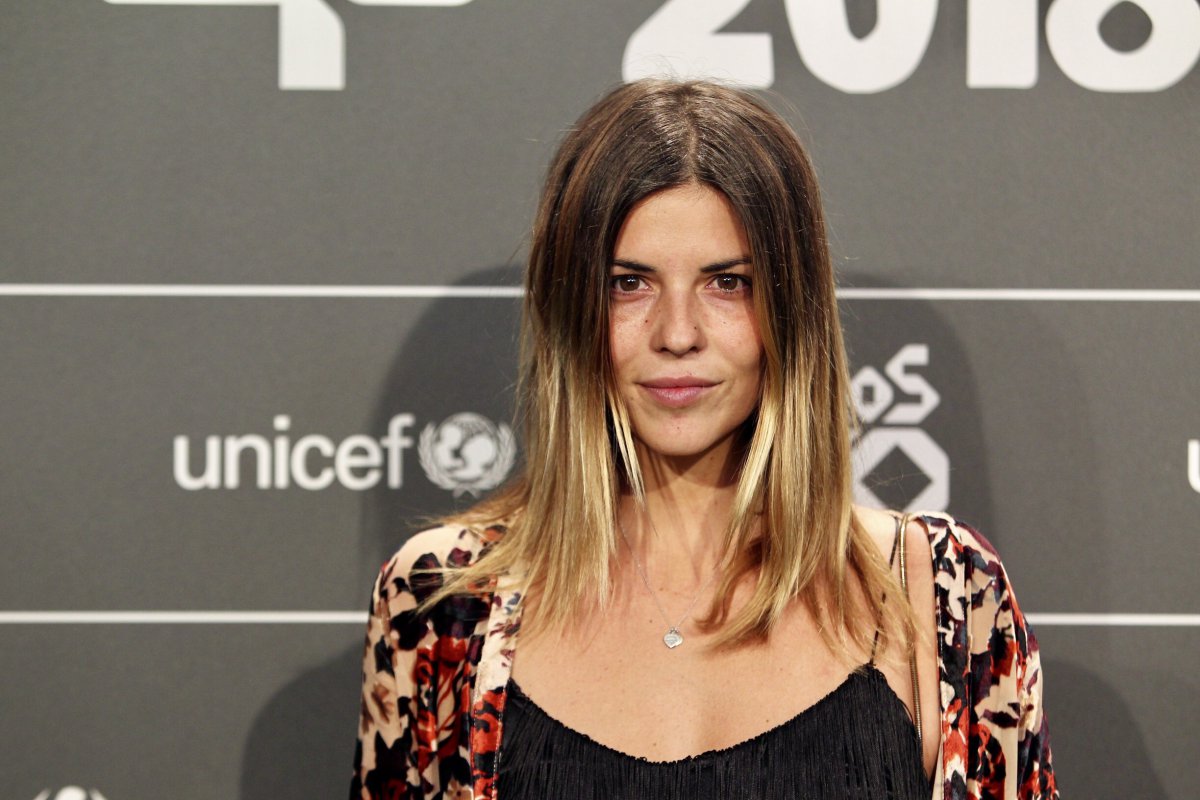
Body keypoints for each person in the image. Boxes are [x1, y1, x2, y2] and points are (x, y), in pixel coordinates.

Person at [350, 79, 1057, 800]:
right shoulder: (443, 604)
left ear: (793, 309)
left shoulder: (942, 594)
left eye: (727, 283)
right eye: (629, 283)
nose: (677, 334)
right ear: (571, 311)